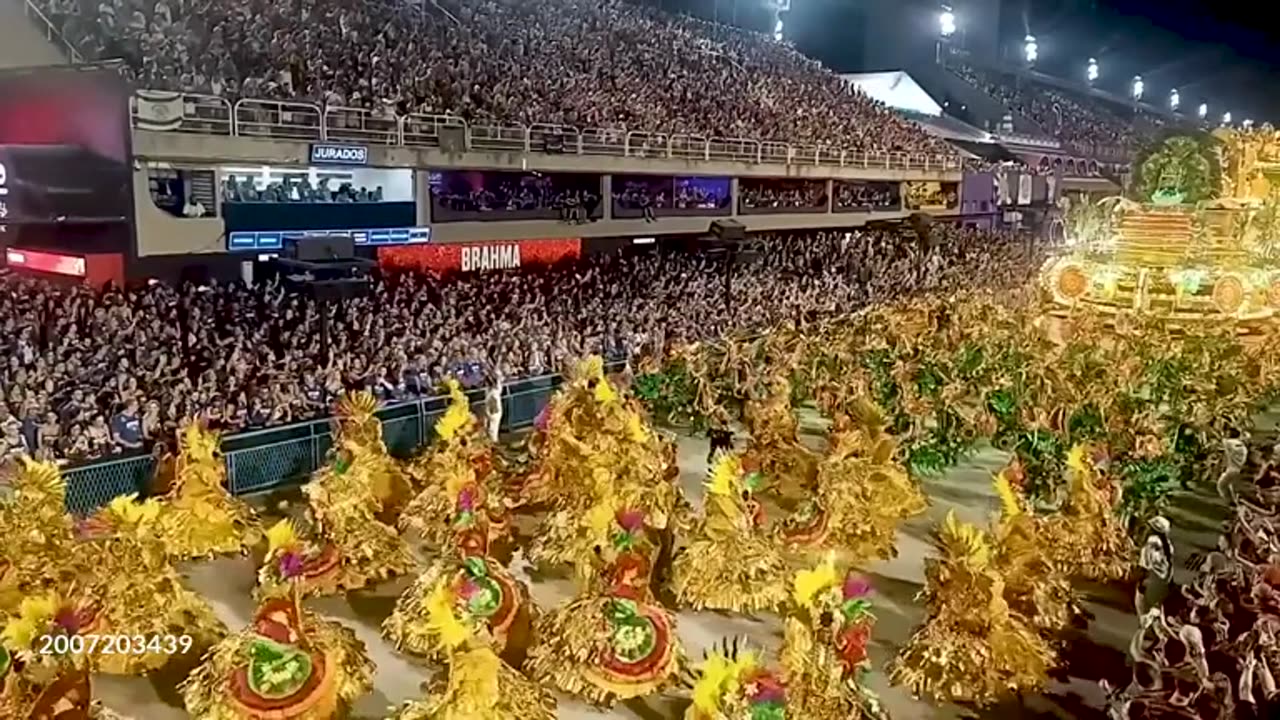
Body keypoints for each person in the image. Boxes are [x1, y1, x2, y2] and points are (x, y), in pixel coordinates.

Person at [1135, 516, 1174, 622]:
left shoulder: (1151, 544)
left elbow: (1145, 566)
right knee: (1156, 608)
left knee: (1143, 607)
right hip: (1162, 582)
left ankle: (1146, 629)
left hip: (1150, 581)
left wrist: (1140, 583)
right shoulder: (1167, 544)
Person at [484, 374, 504, 444]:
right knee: (490, 429)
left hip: (494, 413)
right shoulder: (493, 390)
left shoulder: (494, 392)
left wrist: (492, 412)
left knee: (492, 430)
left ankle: (494, 444)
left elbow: (494, 402)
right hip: (492, 412)